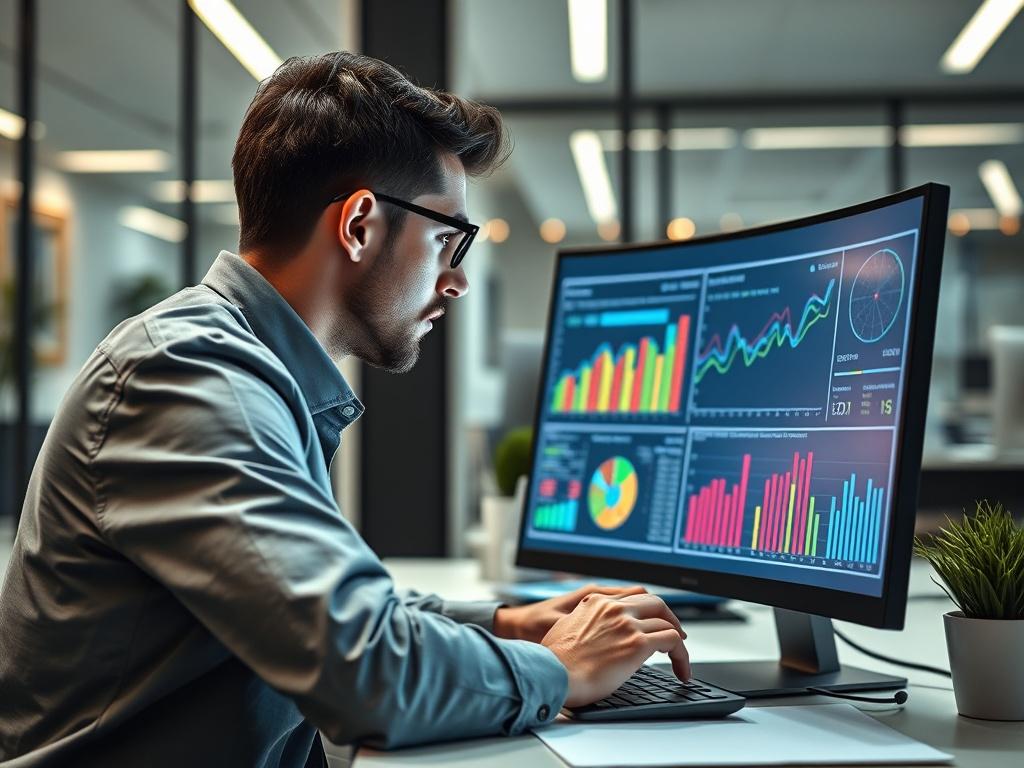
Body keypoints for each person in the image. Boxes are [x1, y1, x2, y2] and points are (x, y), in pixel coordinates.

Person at [0, 52, 690, 767]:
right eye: (447, 240)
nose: (455, 281)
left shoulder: (240, 369)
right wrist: (561, 670)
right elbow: (365, 669)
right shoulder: (187, 375)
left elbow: (319, 608)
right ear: (360, 224)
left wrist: (508, 623)